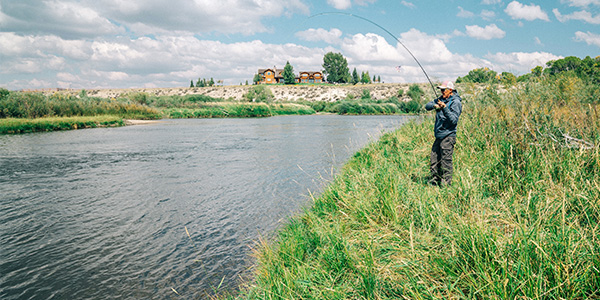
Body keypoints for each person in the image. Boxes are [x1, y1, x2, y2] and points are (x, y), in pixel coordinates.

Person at [424, 81, 462, 187]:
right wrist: (435, 105)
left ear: (450, 90)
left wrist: (444, 108)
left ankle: (446, 185)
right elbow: (427, 106)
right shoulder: (441, 99)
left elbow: (454, 120)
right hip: (439, 135)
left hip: (448, 136)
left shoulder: (456, 102)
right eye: (440, 89)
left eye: (443, 90)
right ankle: (435, 182)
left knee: (446, 161)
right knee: (434, 160)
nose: (441, 92)